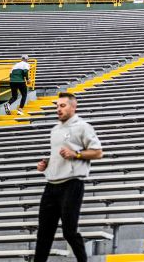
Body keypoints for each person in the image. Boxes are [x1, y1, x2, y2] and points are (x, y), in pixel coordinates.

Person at [33, 92, 103, 262]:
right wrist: (46, 164)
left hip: (72, 184)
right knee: (43, 233)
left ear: (73, 107)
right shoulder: (55, 130)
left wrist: (76, 154)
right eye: (57, 106)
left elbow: (98, 152)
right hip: (51, 185)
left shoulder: (83, 126)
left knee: (69, 232)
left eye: (62, 106)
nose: (58, 109)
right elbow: (59, 156)